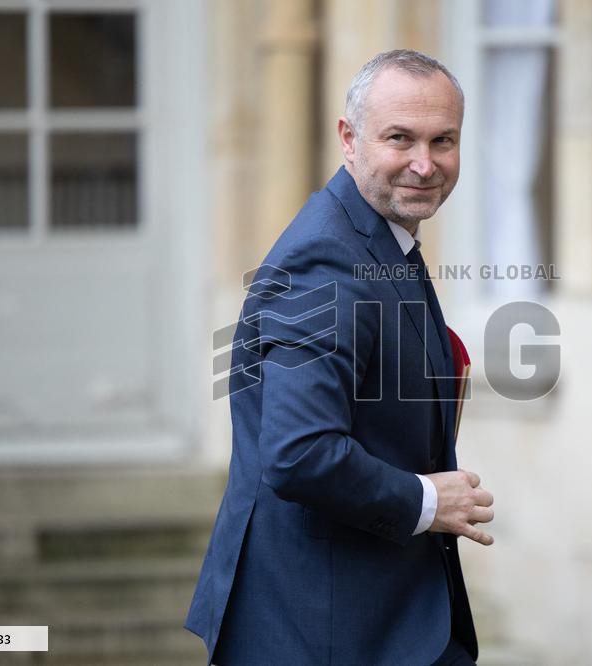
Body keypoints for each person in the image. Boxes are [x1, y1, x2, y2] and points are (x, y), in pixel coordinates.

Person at [184, 49, 495, 666]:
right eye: (400, 138)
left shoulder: (379, 236)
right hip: (323, 629)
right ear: (349, 139)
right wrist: (429, 502)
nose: (424, 164)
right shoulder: (325, 263)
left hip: (385, 620)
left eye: (444, 140)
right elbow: (301, 453)